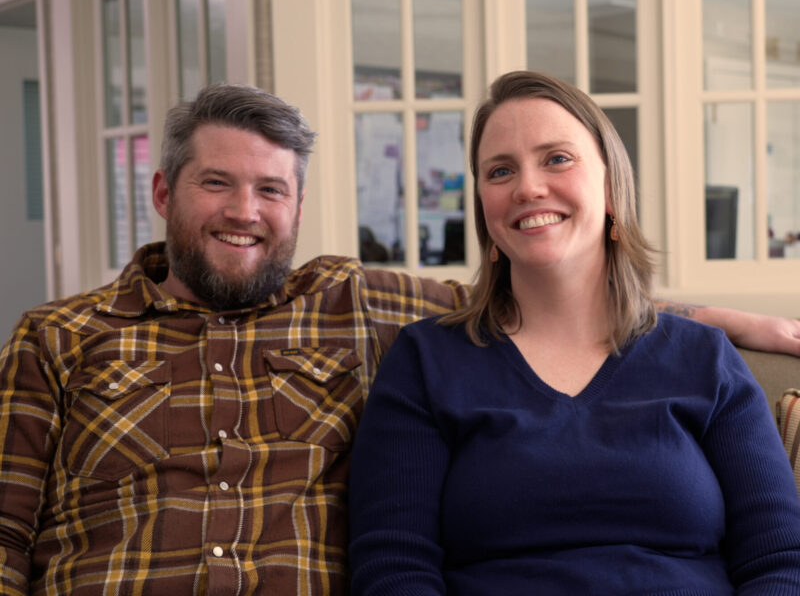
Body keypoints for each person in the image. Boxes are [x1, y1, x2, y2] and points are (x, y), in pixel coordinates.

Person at [0, 83, 796, 596]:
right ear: (164, 191)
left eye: (271, 188)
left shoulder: (344, 298)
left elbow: (563, 283)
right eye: (216, 183)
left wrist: (747, 328)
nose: (245, 210)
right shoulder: (57, 338)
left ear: (299, 205)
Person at [348, 71, 800, 595]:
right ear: (483, 210)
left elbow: (780, 560)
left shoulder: (706, 358)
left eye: (557, 159)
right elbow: (394, 569)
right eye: (500, 171)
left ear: (611, 188)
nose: (528, 187)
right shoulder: (425, 361)